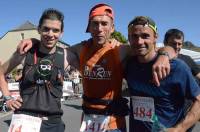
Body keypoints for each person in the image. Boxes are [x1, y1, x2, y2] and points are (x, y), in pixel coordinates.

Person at [17, 3, 174, 132]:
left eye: (104, 24)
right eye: (95, 24)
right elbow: (51, 47)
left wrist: (164, 55)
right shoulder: (80, 49)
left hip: (113, 122)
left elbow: (157, 48)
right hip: (88, 121)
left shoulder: (120, 49)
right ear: (89, 27)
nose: (99, 29)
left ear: (112, 28)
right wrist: (35, 41)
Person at [0, 8, 78, 132]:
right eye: (46, 29)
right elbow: (1, 72)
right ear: (39, 29)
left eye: (56, 30)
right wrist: (8, 98)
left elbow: (90, 71)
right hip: (25, 120)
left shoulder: (67, 56)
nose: (50, 34)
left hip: (53, 123)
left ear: (61, 33)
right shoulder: (25, 51)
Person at [125, 16, 200, 132]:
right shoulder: (129, 64)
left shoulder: (176, 67)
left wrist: (180, 128)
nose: (139, 42)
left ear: (155, 37)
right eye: (134, 36)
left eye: (145, 36)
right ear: (129, 38)